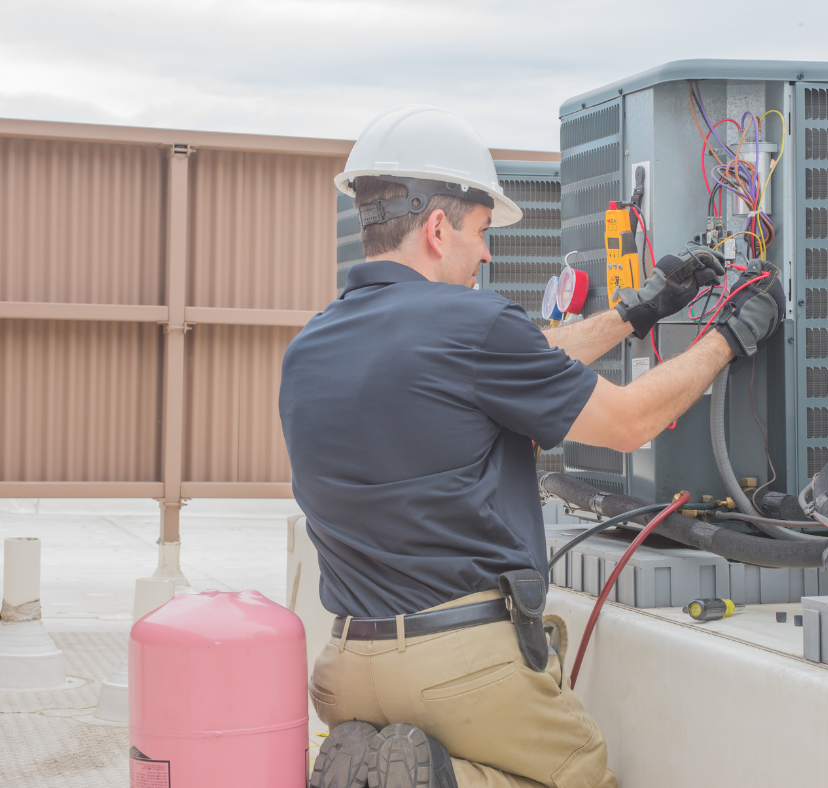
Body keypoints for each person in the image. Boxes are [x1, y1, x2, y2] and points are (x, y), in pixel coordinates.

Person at [278, 104, 784, 788]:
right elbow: (631, 420)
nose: (488, 254)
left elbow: (527, 357)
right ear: (436, 228)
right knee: (579, 778)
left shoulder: (312, 345)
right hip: (458, 665)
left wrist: (641, 311)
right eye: (482, 233)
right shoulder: (473, 325)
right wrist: (728, 335)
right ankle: (446, 780)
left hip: (345, 669)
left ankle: (384, 771)